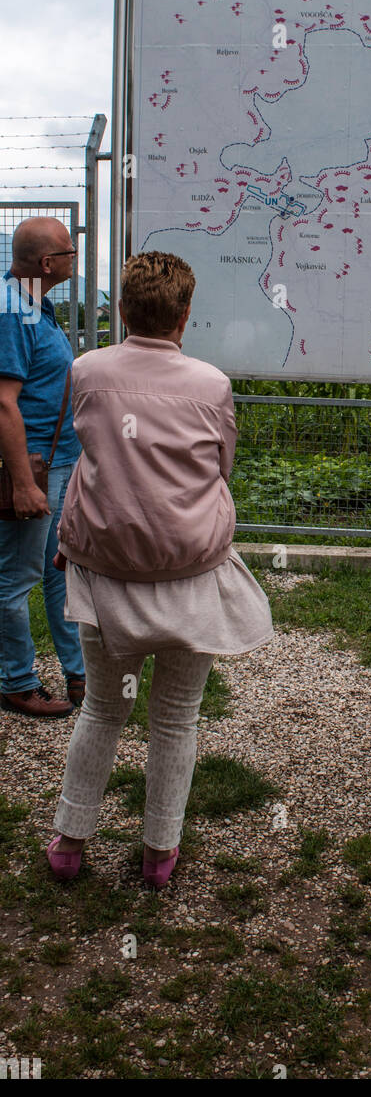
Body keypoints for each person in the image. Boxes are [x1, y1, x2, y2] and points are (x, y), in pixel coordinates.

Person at [45, 251, 273, 888]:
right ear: (185, 313)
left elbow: (85, 453)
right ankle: (158, 854)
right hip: (190, 573)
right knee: (176, 716)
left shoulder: (86, 372)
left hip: (104, 573)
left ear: (121, 308)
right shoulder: (211, 384)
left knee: (101, 710)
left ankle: (69, 842)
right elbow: (220, 468)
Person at [0, 217, 85, 719]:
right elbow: (4, 404)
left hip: (56, 465)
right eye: (70, 251)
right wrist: (24, 483)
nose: (76, 257)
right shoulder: (11, 312)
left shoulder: (36, 304)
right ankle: (15, 681)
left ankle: (77, 674)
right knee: (15, 579)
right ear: (48, 263)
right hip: (32, 470)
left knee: (59, 573)